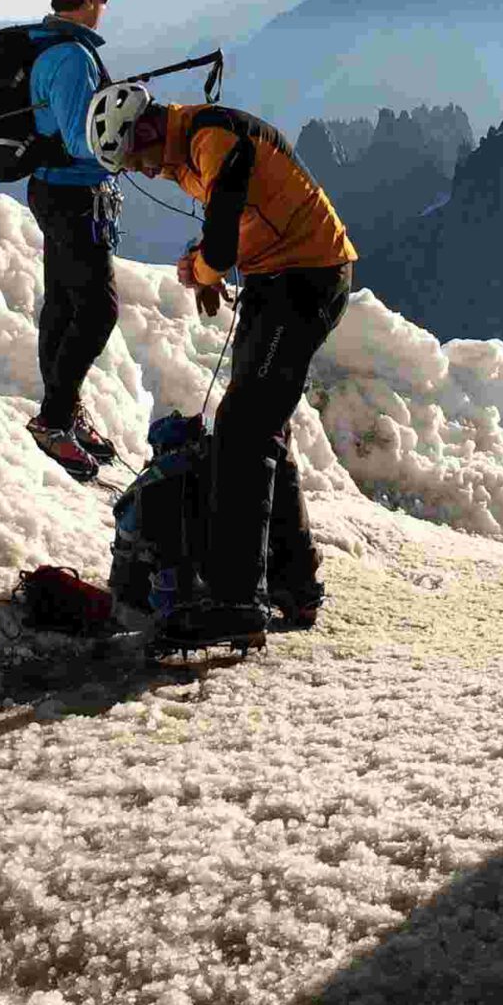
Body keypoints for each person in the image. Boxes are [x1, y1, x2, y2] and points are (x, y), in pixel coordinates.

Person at [88, 82, 356, 647]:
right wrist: (202, 264)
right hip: (282, 278)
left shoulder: (214, 140)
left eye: (134, 159)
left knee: (242, 430)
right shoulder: (192, 146)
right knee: (260, 429)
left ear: (145, 129)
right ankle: (293, 584)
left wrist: (206, 269)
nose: (142, 172)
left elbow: (223, 237)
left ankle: (236, 601)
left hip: (303, 280)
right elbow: (226, 227)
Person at [23, 0, 125, 483]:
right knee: (98, 310)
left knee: (64, 302)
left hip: (54, 191)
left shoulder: (53, 49)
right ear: (88, 0)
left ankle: (62, 410)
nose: (104, 8)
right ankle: (55, 419)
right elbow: (78, 136)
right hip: (72, 195)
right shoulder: (70, 58)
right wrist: (122, 142)